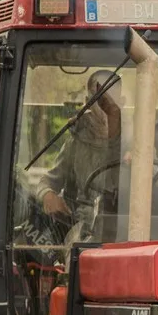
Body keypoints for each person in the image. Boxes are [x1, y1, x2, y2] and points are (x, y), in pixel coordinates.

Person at [36, 70, 124, 221]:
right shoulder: (77, 140)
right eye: (99, 100)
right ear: (87, 102)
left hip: (124, 226)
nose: (104, 108)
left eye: (111, 101)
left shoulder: (138, 141)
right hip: (80, 226)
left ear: (122, 103)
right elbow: (49, 180)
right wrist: (48, 194)